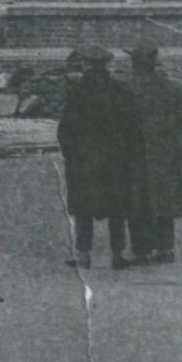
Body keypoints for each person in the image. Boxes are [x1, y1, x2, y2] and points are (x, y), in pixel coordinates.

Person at [56, 44, 141, 269]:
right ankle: (117, 254)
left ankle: (83, 254)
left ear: (85, 65)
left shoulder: (77, 93)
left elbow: (65, 130)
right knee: (117, 208)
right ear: (106, 64)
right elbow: (132, 127)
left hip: (84, 160)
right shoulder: (120, 90)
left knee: (83, 208)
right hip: (115, 159)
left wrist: (70, 154)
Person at [124, 43, 182, 264]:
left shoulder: (126, 90)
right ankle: (165, 248)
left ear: (134, 64)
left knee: (138, 199)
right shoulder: (172, 89)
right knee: (164, 198)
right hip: (166, 153)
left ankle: (141, 250)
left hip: (136, 152)